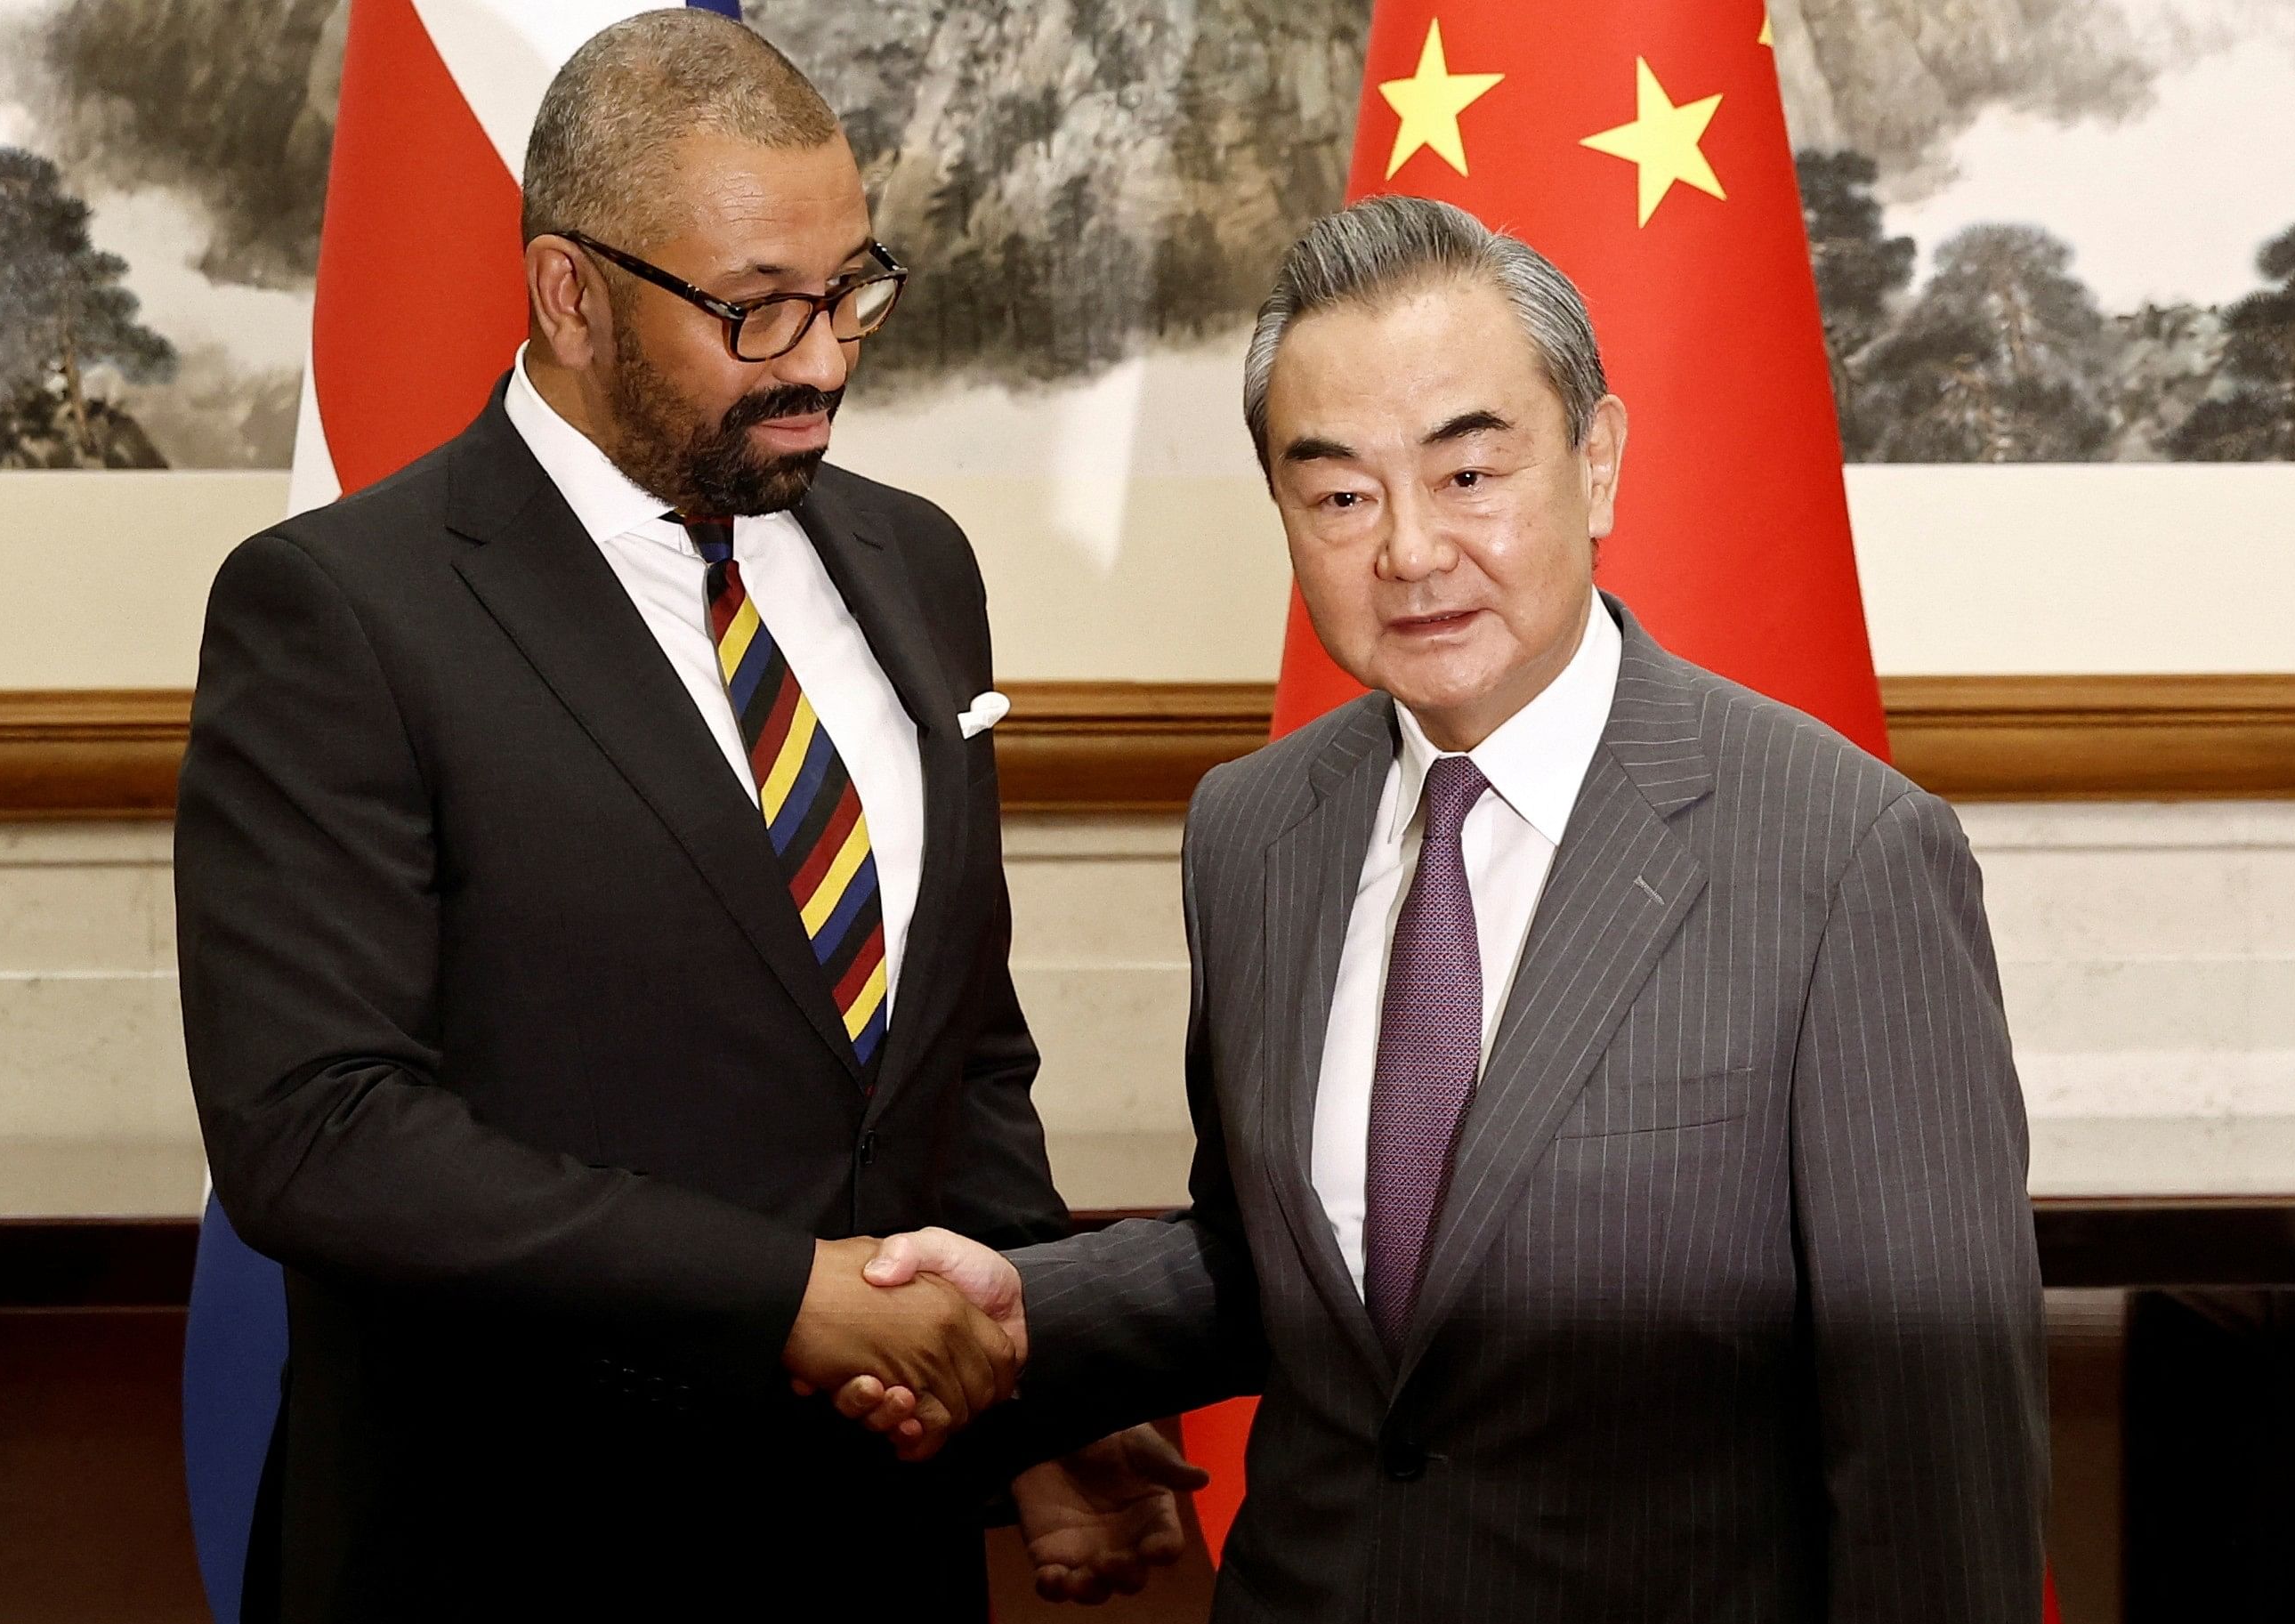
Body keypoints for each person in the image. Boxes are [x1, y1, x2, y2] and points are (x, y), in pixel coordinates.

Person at [851, 194, 2051, 1619]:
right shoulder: (1254, 829)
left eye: (1470, 474)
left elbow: (1937, 1459)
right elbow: (1283, 1260)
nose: (1411, 551)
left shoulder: (1847, 855)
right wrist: (1016, 1317)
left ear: (1595, 461)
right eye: (1342, 495)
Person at [177, 12, 1187, 1619]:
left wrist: (1034, 1379)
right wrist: (786, 1297)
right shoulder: (344, 611)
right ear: (570, 292)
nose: (824, 356)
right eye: (756, 308)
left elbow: (953, 1045)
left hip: (879, 1548)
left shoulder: (917, 564)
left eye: (852, 286)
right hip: (513, 1549)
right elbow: (318, 1130)